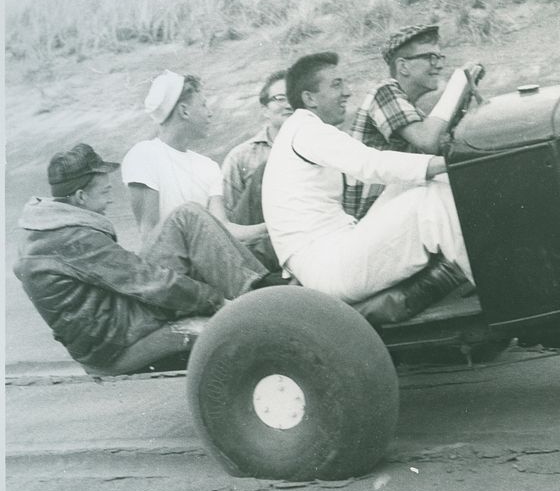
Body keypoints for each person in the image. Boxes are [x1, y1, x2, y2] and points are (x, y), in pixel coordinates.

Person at [14, 144, 271, 376]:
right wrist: (216, 301)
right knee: (188, 218)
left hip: (107, 326)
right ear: (80, 197)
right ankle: (265, 299)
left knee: (185, 216)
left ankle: (257, 288)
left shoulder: (46, 228)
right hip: (117, 338)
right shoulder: (73, 239)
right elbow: (148, 283)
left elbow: (125, 275)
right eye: (105, 192)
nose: (111, 199)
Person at [262, 51, 473, 305]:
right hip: (329, 268)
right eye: (336, 84)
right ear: (310, 98)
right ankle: (494, 285)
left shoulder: (301, 130)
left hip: (330, 255)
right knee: (433, 199)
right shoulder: (306, 130)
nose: (347, 92)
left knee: (422, 184)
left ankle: (477, 267)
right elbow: (370, 164)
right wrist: (446, 164)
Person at [343, 24, 484, 218]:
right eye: (430, 57)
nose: (439, 65)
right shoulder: (383, 92)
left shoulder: (412, 112)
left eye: (440, 57)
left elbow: (442, 148)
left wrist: (464, 97)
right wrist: (457, 84)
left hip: (392, 213)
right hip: (369, 221)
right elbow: (428, 141)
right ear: (403, 66)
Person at [121, 70, 269, 249]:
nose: (210, 113)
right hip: (169, 264)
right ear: (184, 111)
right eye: (203, 105)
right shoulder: (144, 155)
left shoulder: (208, 166)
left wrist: (273, 228)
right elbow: (149, 236)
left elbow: (225, 228)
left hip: (208, 259)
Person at [219, 70, 290, 270]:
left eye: (293, 97)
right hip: (256, 251)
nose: (288, 104)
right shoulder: (241, 156)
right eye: (280, 98)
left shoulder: (316, 149)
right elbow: (228, 220)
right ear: (265, 109)